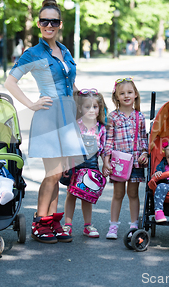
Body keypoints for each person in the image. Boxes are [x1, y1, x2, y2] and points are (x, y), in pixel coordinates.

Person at [4, 0, 85, 244]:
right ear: (39, 24)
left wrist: (84, 107)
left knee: (60, 173)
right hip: (49, 116)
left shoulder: (65, 51)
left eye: (53, 21)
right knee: (52, 173)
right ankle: (41, 222)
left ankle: (53, 221)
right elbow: (10, 82)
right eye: (44, 21)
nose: (49, 25)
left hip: (67, 115)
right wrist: (31, 104)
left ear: (60, 24)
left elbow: (70, 84)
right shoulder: (34, 53)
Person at [103, 77, 149, 239]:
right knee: (118, 193)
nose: (126, 96)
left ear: (135, 94)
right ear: (116, 97)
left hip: (136, 161)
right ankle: (113, 226)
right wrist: (106, 160)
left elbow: (144, 139)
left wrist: (145, 153)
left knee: (133, 193)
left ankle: (134, 226)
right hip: (119, 163)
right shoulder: (113, 117)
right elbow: (108, 140)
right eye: (122, 93)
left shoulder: (140, 117)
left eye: (129, 92)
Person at [62, 88, 107, 238]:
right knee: (71, 194)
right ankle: (67, 225)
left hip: (92, 165)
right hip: (75, 163)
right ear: (80, 108)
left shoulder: (100, 128)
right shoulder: (75, 125)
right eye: (87, 107)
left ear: (99, 108)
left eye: (95, 107)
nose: (91, 110)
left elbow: (103, 149)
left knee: (87, 195)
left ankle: (88, 226)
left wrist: (106, 164)